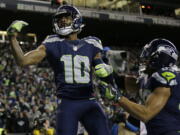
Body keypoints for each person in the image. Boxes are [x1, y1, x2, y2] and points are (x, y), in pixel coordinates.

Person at [7, 5, 112, 135]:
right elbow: (23, 61)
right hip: (68, 103)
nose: (62, 20)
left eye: (66, 17)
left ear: (76, 19)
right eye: (60, 18)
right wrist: (12, 38)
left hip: (89, 101)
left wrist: (106, 69)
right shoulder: (53, 42)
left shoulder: (92, 43)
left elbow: (102, 68)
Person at [101, 38, 180, 135]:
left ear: (159, 58)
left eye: (147, 56)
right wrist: (100, 63)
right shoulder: (148, 78)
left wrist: (118, 98)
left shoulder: (166, 76)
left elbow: (146, 114)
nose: (143, 59)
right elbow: (119, 81)